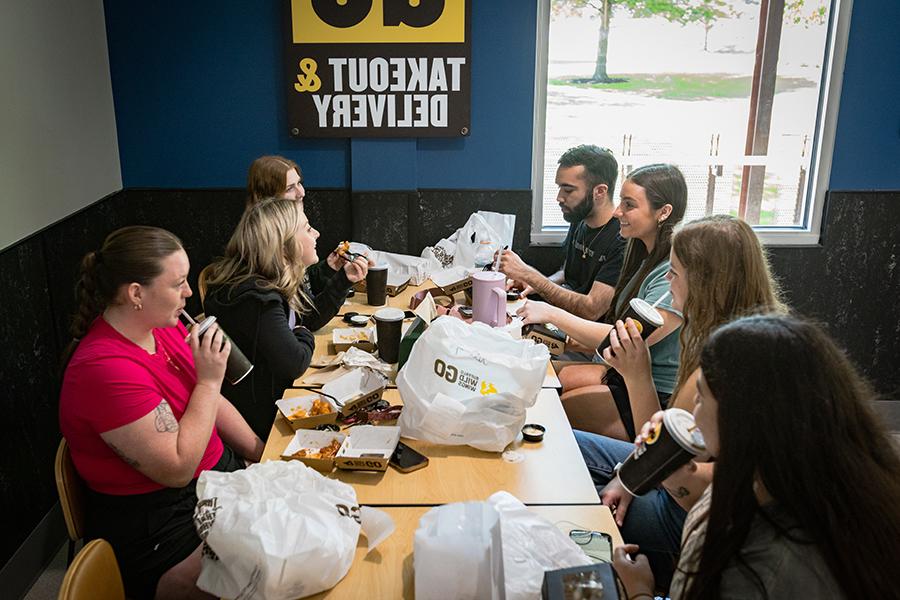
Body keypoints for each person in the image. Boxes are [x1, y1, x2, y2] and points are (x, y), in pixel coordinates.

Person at [613, 314, 900, 599]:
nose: (693, 411)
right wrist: (671, 470)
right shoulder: (801, 477)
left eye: (700, 398)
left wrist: (639, 590)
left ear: (739, 420)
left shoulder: (758, 567)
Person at [575, 215, 786, 589]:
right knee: (565, 444)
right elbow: (663, 443)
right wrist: (630, 477)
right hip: (673, 480)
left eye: (673, 272)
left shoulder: (732, 358)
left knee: (576, 504)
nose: (667, 281)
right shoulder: (717, 330)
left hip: (685, 508)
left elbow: (673, 462)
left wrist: (637, 376)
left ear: (706, 281)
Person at [59, 226, 264, 600]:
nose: (189, 293)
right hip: (159, 523)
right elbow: (177, 468)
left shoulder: (163, 326)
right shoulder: (103, 370)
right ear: (136, 293)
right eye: (179, 283)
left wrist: (262, 453)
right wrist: (208, 381)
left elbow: (213, 407)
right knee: (273, 572)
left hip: (216, 481)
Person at [517, 163, 687, 441]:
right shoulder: (641, 254)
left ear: (663, 212)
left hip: (653, 391)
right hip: (622, 372)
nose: (618, 211)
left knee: (547, 408)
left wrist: (552, 314)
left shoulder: (670, 273)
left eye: (629, 204)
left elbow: (627, 340)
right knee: (536, 378)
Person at [201, 199, 343, 439]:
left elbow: (307, 319)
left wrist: (344, 280)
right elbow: (295, 362)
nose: (317, 233)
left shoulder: (271, 279)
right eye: (308, 228)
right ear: (285, 244)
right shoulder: (256, 299)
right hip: (263, 422)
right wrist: (303, 332)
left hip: (276, 399)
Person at [497, 145, 625, 321]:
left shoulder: (622, 239)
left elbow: (591, 309)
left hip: (585, 334)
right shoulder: (579, 218)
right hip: (563, 317)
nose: (559, 197)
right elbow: (568, 272)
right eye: (559, 188)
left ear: (600, 191)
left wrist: (529, 275)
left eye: (568, 190)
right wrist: (534, 284)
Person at [246, 154, 368, 331]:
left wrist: (329, 268)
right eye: (290, 188)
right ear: (268, 199)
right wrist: (341, 282)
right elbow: (305, 320)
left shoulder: (287, 234)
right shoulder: (262, 256)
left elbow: (304, 295)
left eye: (299, 183)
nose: (301, 192)